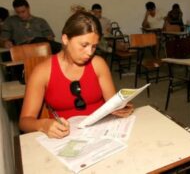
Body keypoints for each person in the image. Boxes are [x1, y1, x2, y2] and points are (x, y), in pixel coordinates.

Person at [19, 11, 134, 139]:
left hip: (100, 133)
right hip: (66, 137)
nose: (89, 52)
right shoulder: (42, 72)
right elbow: (24, 122)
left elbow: (112, 104)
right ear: (65, 39)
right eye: (84, 45)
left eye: (94, 46)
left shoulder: (98, 64)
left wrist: (120, 109)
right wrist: (43, 124)